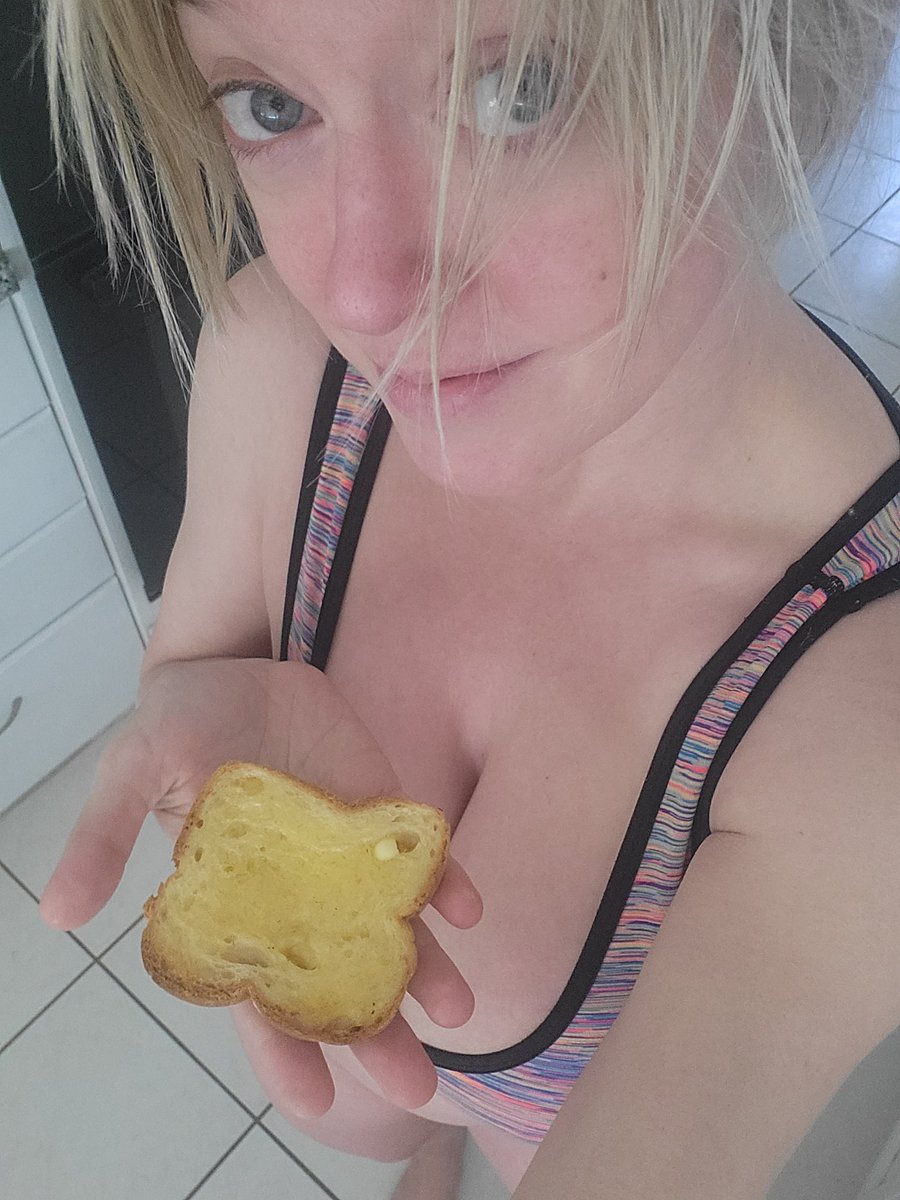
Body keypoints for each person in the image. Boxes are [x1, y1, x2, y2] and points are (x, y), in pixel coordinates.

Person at [37, 0, 900, 1196]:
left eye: (521, 89)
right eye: (273, 105)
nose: (363, 292)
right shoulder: (277, 362)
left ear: (761, 53)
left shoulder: (863, 710)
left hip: (524, 1138)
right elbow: (190, 679)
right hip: (365, 1103)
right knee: (394, 1124)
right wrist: (190, 708)